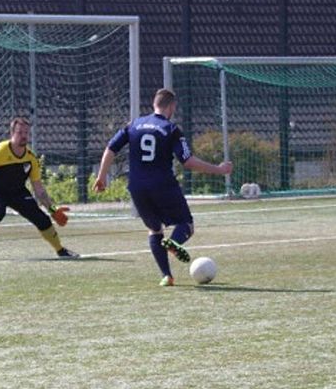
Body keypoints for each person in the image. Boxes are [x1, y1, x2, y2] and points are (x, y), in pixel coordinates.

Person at [93, 88, 232, 286]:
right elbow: (188, 161)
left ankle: (166, 276)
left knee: (154, 229)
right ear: (172, 106)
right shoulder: (171, 129)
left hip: (137, 187)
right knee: (186, 225)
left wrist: (101, 176)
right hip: (162, 184)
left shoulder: (134, 124)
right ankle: (174, 243)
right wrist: (219, 170)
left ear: (154, 104)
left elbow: (111, 148)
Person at [0, 117, 78, 261]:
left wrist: (52, 209)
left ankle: (61, 250)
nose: (24, 136)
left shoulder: (30, 158)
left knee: (41, 218)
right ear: (12, 133)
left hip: (18, 192)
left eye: (26, 132)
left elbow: (39, 189)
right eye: (20, 132)